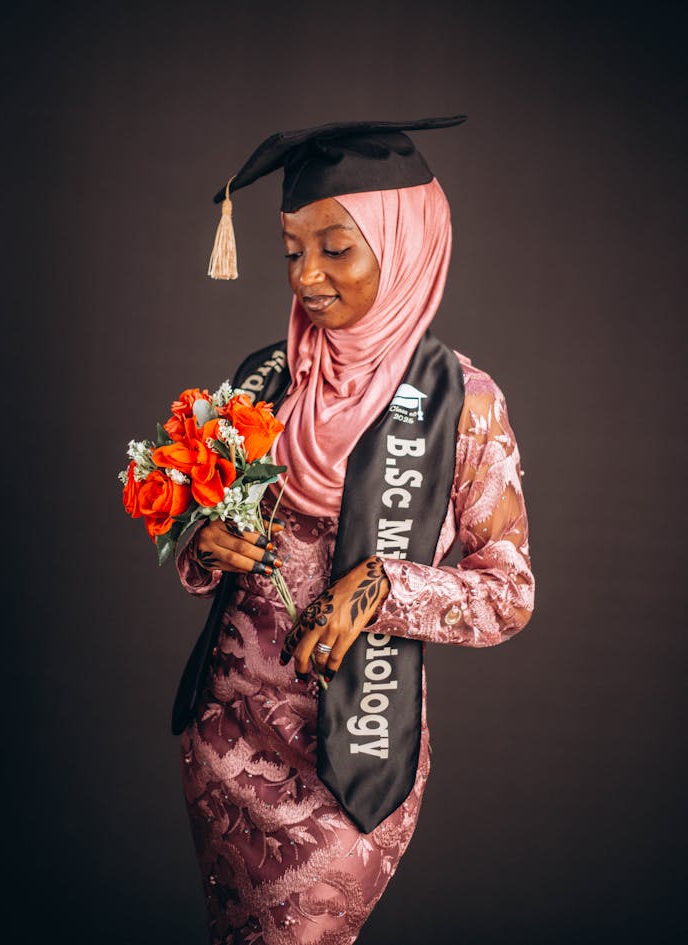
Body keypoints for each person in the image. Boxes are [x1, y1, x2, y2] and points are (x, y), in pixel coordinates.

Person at [174, 118, 535, 945]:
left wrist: (380, 588)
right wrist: (204, 544)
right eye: (293, 249)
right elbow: (207, 549)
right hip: (225, 739)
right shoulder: (267, 378)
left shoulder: (462, 403)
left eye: (337, 248)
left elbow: (509, 593)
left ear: (405, 243)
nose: (308, 277)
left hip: (350, 755)